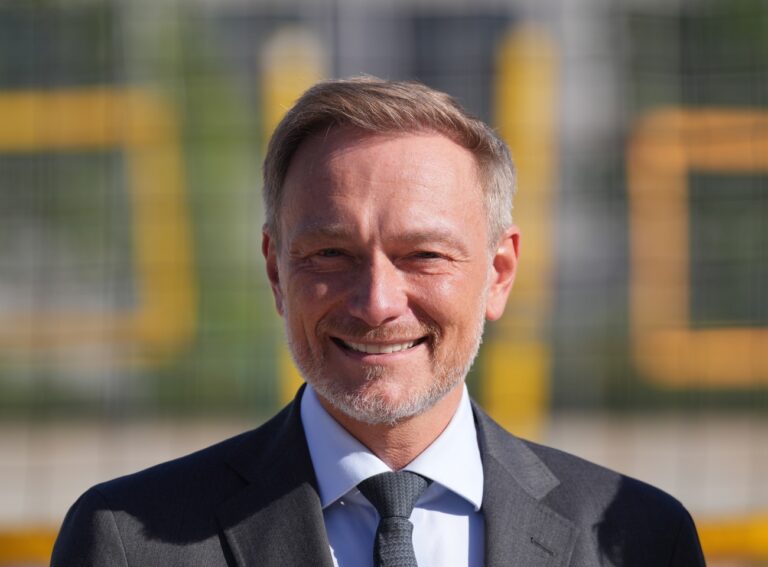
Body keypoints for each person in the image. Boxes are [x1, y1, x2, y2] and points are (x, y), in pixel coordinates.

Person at [52, 77, 706, 567]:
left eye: (423, 254)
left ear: (499, 273)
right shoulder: (128, 539)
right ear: (277, 272)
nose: (376, 301)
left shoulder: (640, 539)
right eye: (330, 253)